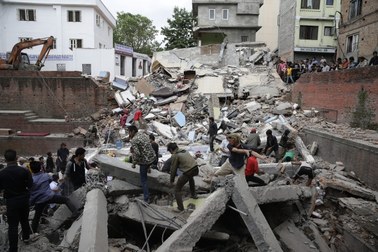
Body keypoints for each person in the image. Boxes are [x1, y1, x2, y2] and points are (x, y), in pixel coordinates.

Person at [29, 161, 77, 233]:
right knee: (66, 200)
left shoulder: (31, 179)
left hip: (39, 200)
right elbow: (51, 179)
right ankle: (75, 213)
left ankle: (33, 232)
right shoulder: (45, 175)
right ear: (40, 168)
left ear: (31, 169)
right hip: (49, 197)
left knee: (37, 216)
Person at [0, 149, 33, 252]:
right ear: (16, 158)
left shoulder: (2, 173)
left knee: (13, 225)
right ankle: (26, 238)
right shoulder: (24, 171)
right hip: (23, 199)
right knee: (24, 220)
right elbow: (30, 185)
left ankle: (13, 249)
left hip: (11, 201)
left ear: (5, 159)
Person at [167, 143, 199, 212]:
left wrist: (171, 180)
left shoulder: (175, 155)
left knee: (177, 189)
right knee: (190, 178)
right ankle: (194, 195)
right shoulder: (184, 150)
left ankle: (180, 208)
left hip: (189, 171)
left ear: (171, 150)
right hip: (195, 169)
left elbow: (173, 169)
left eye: (170, 152)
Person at [128, 125, 156, 203]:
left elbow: (137, 154)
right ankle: (149, 168)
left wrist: (134, 163)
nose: (129, 134)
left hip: (145, 161)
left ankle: (146, 198)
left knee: (143, 180)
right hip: (152, 157)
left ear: (133, 131)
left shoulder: (134, 140)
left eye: (129, 132)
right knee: (146, 162)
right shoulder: (143, 134)